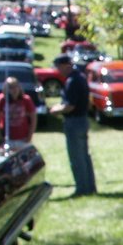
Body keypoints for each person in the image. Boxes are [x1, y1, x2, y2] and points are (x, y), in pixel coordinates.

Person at [50, 54, 97, 197]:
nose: (58, 70)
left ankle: (82, 188)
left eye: (59, 67)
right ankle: (89, 187)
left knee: (77, 157)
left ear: (66, 65)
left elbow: (69, 106)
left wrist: (54, 110)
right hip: (82, 120)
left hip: (74, 122)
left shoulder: (72, 81)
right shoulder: (80, 77)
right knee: (84, 156)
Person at [0, 76, 36, 145]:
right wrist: (0, 136)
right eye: (11, 87)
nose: (14, 90)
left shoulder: (26, 99)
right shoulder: (2, 99)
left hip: (23, 138)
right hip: (7, 138)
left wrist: (30, 136)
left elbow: (33, 119)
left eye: (16, 87)